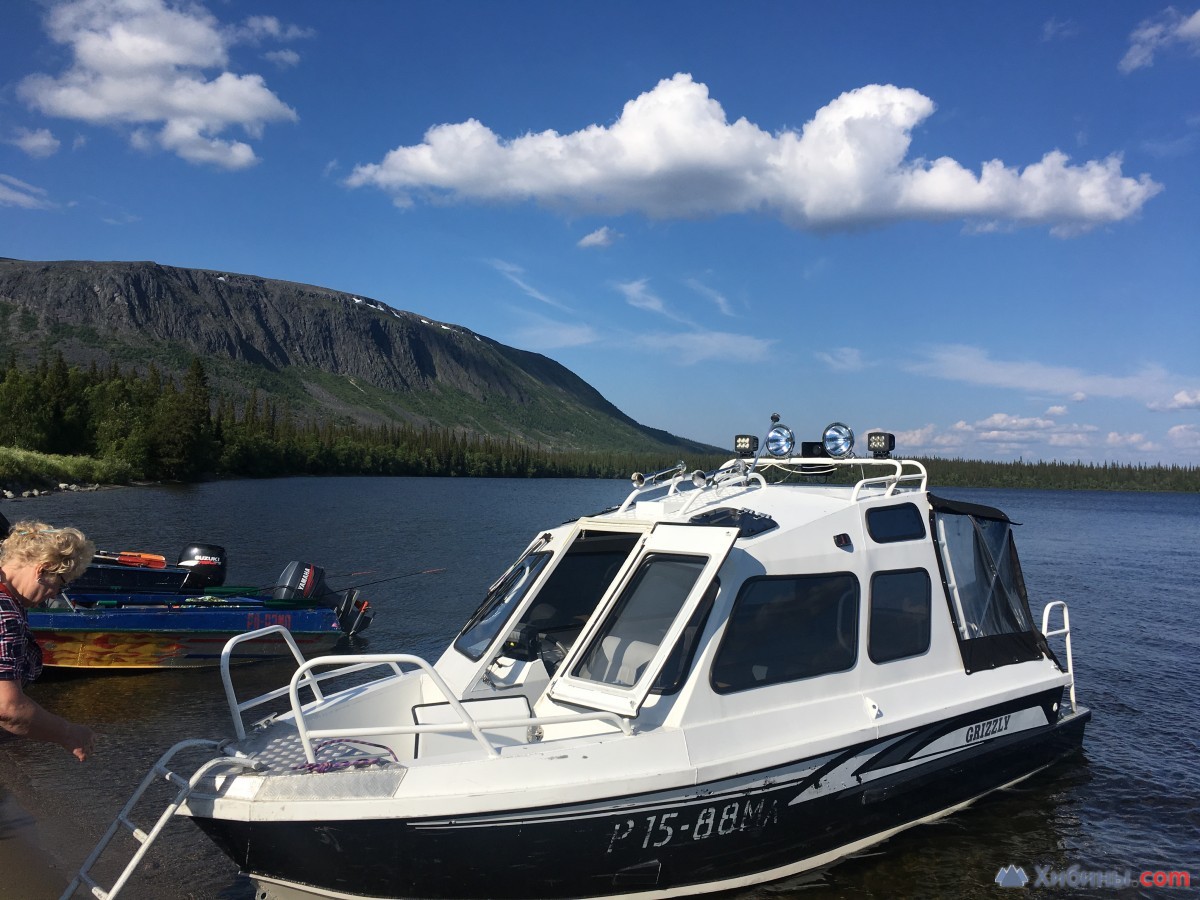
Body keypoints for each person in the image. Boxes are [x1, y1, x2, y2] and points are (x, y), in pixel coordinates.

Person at [0, 520, 96, 761]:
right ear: (42, 570)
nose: (55, 593)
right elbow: (8, 708)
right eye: (60, 583)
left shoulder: (12, 601)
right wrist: (68, 733)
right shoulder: (5, 612)